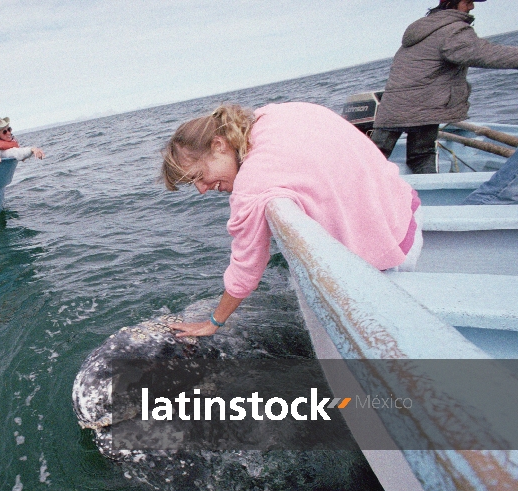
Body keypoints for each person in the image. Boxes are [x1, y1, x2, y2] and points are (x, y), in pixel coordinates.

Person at [162, 102, 422, 338]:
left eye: (198, 175)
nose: (201, 189)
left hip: (388, 255)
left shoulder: (252, 182)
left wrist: (213, 322)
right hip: (406, 214)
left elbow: (246, 266)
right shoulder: (273, 115)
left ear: (218, 145)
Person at [371, 0, 518, 174]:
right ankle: (425, 196)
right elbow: (485, 54)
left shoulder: (423, 29)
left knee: (371, 158)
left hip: (393, 108)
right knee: (421, 156)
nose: (472, 7)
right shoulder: (453, 30)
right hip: (424, 108)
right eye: (468, 2)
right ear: (452, 2)